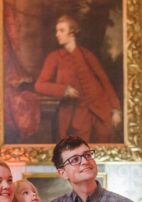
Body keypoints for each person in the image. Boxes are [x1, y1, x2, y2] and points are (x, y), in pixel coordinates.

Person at [34, 15, 122, 143]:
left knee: (105, 142)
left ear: (72, 33)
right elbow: (39, 85)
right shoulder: (54, 57)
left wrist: (115, 109)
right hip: (74, 115)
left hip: (101, 112)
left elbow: (105, 82)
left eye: (61, 30)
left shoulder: (87, 55)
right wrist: (63, 90)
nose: (57, 34)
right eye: (56, 31)